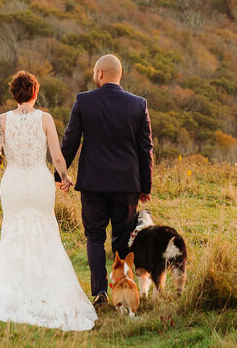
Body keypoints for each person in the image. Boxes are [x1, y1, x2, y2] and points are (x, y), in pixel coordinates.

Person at [0, 71, 97, 331]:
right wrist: (65, 177)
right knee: (45, 233)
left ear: (13, 94)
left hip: (14, 183)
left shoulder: (2, 120)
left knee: (14, 233)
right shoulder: (46, 119)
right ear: (35, 93)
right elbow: (57, 157)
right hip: (40, 182)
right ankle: (45, 292)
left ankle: (12, 293)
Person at [57, 54, 154, 308]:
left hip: (93, 183)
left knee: (94, 237)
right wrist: (146, 187)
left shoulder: (83, 101)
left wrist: (59, 174)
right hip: (127, 185)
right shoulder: (138, 104)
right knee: (122, 239)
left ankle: (100, 291)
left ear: (100, 74)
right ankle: (122, 292)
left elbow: (70, 141)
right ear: (118, 74)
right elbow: (146, 149)